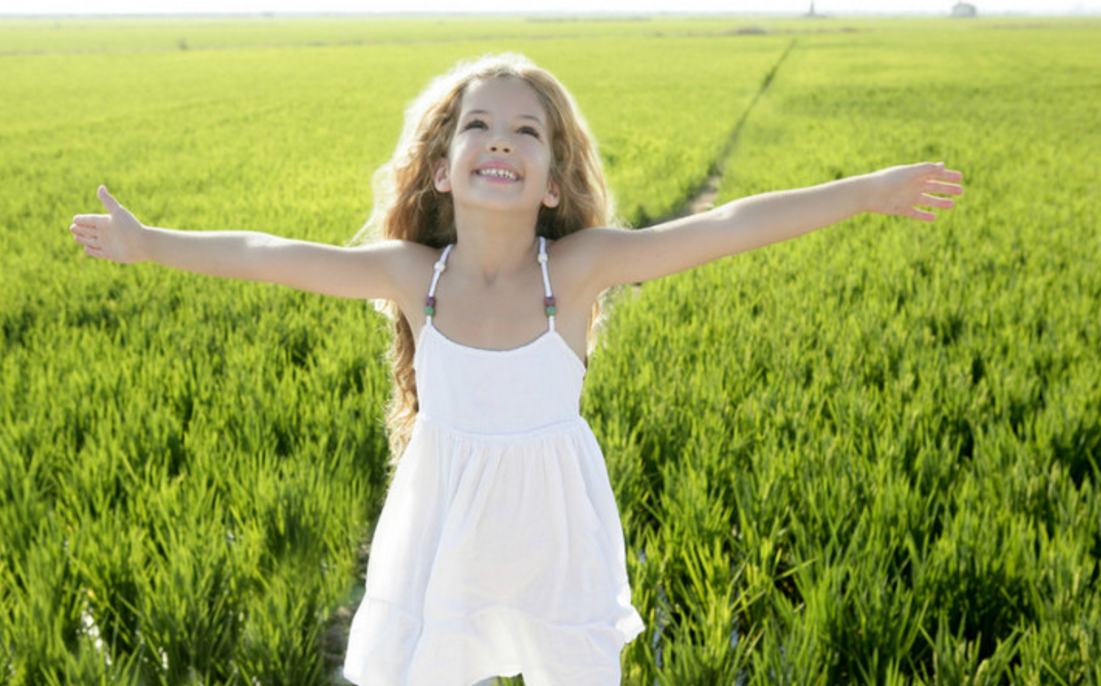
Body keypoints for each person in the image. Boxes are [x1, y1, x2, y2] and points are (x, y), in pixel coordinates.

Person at [69, 52, 962, 686]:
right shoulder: (411, 276)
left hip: (554, 533)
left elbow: (727, 224)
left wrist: (870, 190)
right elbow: (270, 252)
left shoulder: (567, 273)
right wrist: (149, 245)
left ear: (548, 181)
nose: (501, 138)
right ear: (443, 170)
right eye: (478, 125)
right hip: (443, 527)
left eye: (525, 130)